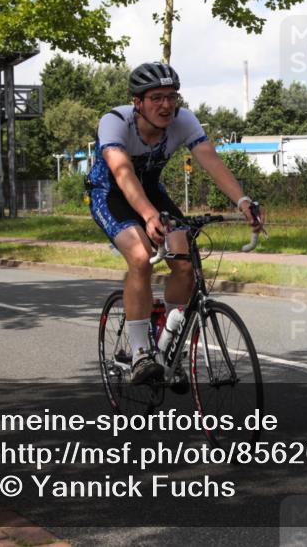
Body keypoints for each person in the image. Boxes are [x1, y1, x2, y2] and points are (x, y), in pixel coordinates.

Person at [87, 62, 264, 385]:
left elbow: (210, 158)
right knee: (141, 258)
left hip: (153, 192)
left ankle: (169, 346)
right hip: (111, 192)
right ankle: (141, 353)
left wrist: (242, 200)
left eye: (171, 96)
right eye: (156, 98)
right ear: (137, 102)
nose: (166, 105)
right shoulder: (115, 122)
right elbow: (123, 171)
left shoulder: (183, 121)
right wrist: (148, 214)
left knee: (184, 264)